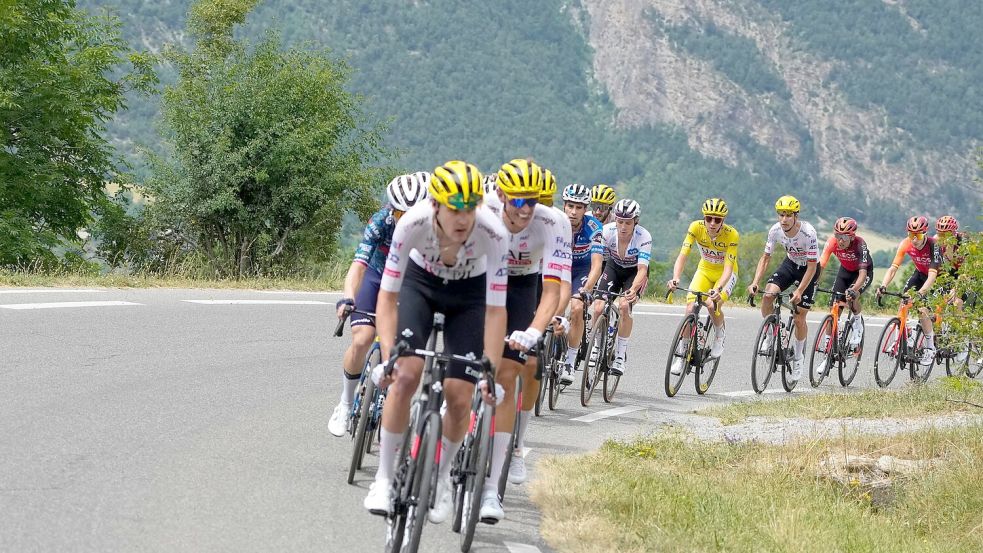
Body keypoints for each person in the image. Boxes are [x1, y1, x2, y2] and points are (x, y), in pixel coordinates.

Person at [362, 161, 509, 524]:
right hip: (420, 287)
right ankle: (383, 478)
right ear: (436, 206)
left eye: (470, 209)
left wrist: (489, 368)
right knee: (406, 375)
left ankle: (441, 478)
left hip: (470, 297)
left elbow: (495, 311)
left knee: (460, 397)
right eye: (454, 210)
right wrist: (387, 354)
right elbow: (387, 297)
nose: (463, 219)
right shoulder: (412, 223)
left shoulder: (493, 233)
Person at [478, 158, 570, 522]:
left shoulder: (553, 221)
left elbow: (554, 287)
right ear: (500, 195)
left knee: (513, 372)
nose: (527, 208)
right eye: (518, 200)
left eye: (533, 200)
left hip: (521, 284)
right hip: (479, 276)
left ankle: (492, 485)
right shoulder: (482, 209)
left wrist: (537, 329)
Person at [328, 172, 429, 437]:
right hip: (377, 277)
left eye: (412, 213)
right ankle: (346, 402)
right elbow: (359, 265)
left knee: (397, 348)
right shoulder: (380, 222)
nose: (405, 220)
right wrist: (348, 297)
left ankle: (387, 402)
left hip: (408, 283)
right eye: (399, 213)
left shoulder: (431, 228)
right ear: (392, 209)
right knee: (362, 339)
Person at [746, 195, 819, 382]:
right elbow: (766, 258)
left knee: (799, 315)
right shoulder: (775, 230)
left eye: (788, 215)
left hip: (808, 270)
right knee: (768, 296)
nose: (784, 219)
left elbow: (812, 266)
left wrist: (800, 291)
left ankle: (799, 357)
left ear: (795, 216)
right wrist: (755, 282)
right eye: (781, 215)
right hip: (790, 264)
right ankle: (770, 335)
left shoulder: (808, 232)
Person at [666, 198, 739, 373]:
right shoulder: (695, 227)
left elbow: (728, 268)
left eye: (717, 219)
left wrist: (718, 288)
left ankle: (720, 333)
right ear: (704, 218)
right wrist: (675, 277)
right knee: (690, 308)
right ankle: (681, 355)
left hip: (725, 275)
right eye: (709, 218)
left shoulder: (732, 234)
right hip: (704, 270)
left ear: (723, 220)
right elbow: (683, 255)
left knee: (712, 304)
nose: (712, 223)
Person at [591, 198, 652, 376]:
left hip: (634, 272)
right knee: (598, 306)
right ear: (615, 220)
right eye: (619, 221)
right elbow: (597, 262)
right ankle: (596, 346)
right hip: (614, 267)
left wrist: (633, 289)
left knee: (624, 306)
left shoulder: (644, 236)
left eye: (628, 222)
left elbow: (642, 269)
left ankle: (620, 354)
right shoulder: (606, 232)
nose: (623, 227)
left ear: (635, 222)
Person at [877, 215, 942, 365]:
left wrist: (921, 293)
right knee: (904, 300)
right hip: (919, 274)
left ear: (925, 233)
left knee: (922, 309)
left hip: (937, 277)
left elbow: (932, 276)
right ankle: (902, 337)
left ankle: (930, 348)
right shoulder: (906, 244)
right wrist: (883, 285)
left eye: (918, 235)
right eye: (911, 235)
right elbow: (893, 268)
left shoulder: (934, 245)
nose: (914, 239)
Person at [556, 184, 604, 384]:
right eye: (570, 206)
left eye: (579, 207)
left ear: (586, 209)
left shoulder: (594, 227)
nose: (573, 212)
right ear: (564, 205)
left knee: (576, 308)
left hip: (582, 271)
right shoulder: (555, 222)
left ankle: (570, 360)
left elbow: (597, 265)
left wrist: (587, 289)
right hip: (559, 266)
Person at [817, 217, 872, 349]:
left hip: (862, 273)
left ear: (852, 237)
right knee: (833, 307)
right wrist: (813, 282)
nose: (840, 241)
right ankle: (828, 347)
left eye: (844, 238)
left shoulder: (860, 244)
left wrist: (854, 290)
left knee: (852, 297)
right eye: (837, 235)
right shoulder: (831, 242)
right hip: (845, 272)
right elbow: (821, 266)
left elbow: (863, 274)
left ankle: (858, 325)